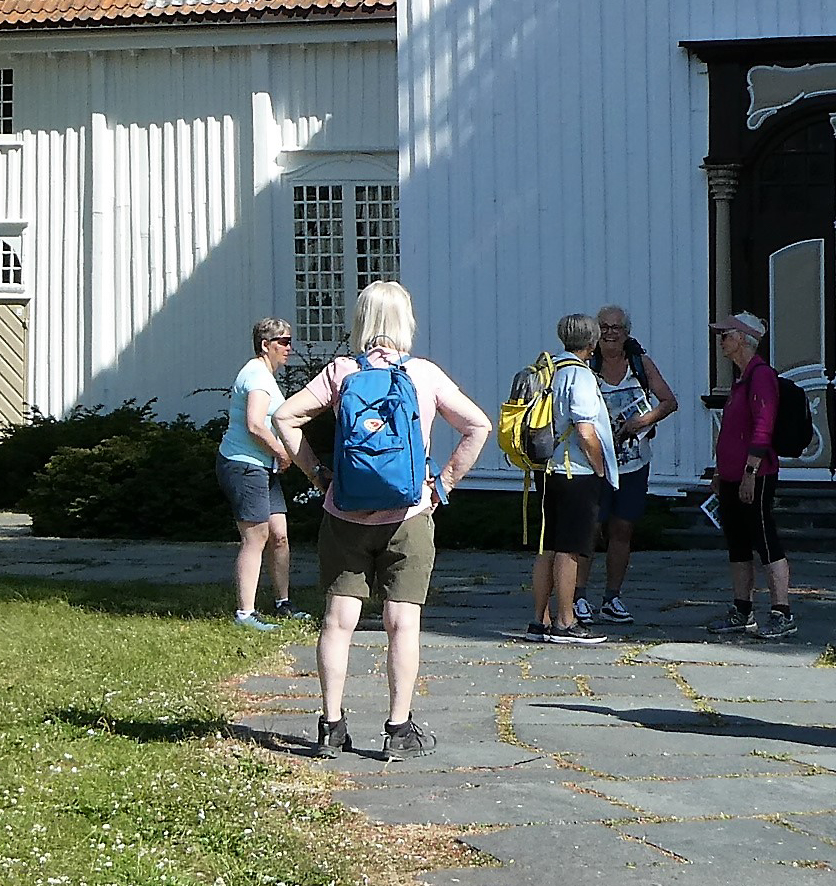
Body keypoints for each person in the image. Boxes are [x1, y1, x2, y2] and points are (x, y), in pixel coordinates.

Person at [270, 280, 492, 760]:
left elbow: (284, 418)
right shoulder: (425, 375)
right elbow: (479, 425)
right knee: (402, 622)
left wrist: (320, 477)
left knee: (337, 619)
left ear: (361, 320)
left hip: (344, 513)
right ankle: (397, 729)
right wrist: (443, 484)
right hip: (409, 515)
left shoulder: (341, 372)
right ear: (405, 322)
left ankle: (330, 726)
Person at [526, 313, 618, 645]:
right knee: (571, 548)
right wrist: (599, 467)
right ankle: (566, 621)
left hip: (547, 469)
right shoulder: (579, 376)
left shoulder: (550, 370)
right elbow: (584, 429)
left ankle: (540, 619)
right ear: (591, 344)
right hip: (574, 471)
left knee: (547, 546)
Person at [587, 306, 679, 622]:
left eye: (617, 327)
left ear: (627, 332)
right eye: (604, 327)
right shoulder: (587, 365)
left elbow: (669, 401)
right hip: (594, 463)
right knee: (590, 529)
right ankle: (579, 598)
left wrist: (644, 420)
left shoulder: (639, 364)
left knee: (622, 528)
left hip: (633, 463)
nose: (610, 333)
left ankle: (612, 597)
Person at [708, 312, 796, 639]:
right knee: (738, 544)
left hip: (755, 475)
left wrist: (750, 471)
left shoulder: (760, 376)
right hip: (732, 475)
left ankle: (781, 611)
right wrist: (720, 471)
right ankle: (742, 609)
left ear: (743, 339)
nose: (721, 341)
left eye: (726, 335)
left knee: (764, 540)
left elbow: (763, 426)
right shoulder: (741, 378)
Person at [219, 317, 305, 628]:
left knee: (279, 535)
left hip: (263, 467)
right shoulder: (256, 375)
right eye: (282, 341)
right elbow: (255, 423)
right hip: (244, 465)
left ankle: (283, 603)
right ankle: (245, 614)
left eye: (289, 341)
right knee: (256, 537)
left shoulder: (265, 375)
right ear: (265, 345)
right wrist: (281, 452)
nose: (288, 348)